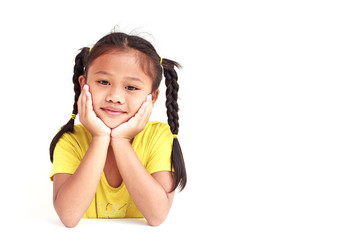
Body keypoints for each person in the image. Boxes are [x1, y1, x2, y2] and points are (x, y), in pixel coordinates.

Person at [49, 32, 187, 227]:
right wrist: (99, 138)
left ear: (152, 97)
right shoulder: (70, 139)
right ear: (83, 85)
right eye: (104, 82)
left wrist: (121, 141)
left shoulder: (158, 136)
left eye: (131, 87)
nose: (115, 97)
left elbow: (157, 216)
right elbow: (69, 217)